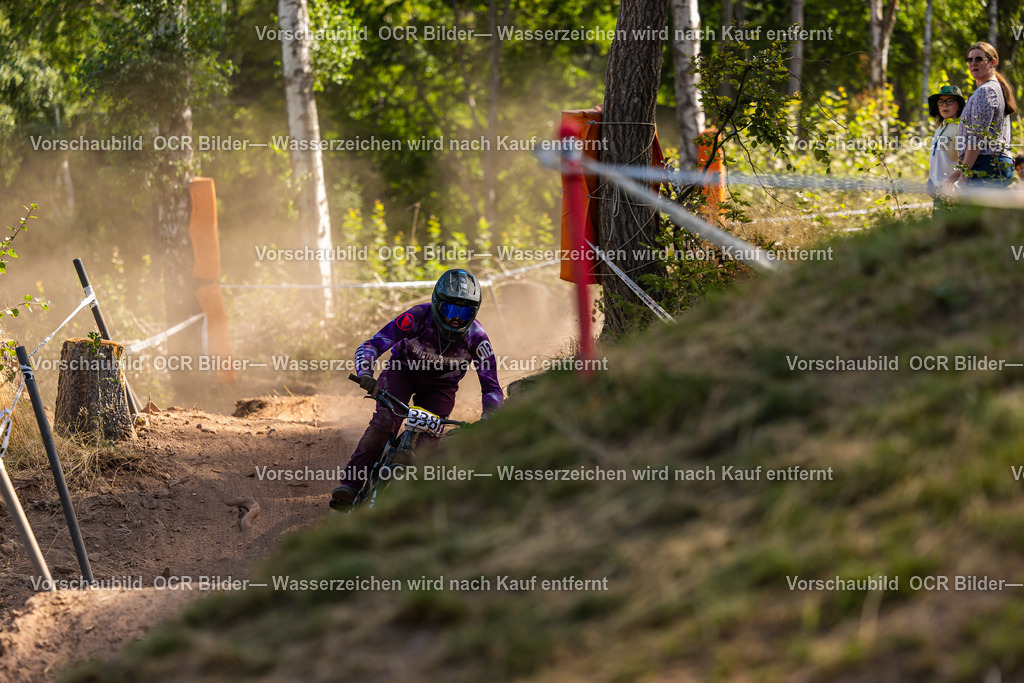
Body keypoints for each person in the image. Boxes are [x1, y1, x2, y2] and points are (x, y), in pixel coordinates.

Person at [330, 268, 503, 509]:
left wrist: (489, 418)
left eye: (464, 312)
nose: (456, 319)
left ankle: (412, 504)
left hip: (441, 387)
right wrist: (366, 373)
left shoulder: (477, 337)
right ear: (437, 303)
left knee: (427, 449)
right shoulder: (417, 317)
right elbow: (371, 345)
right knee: (384, 424)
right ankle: (351, 485)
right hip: (403, 372)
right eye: (451, 310)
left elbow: (492, 386)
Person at [945, 42, 1017, 190]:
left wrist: (965, 173)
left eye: (979, 59)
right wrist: (955, 175)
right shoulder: (991, 89)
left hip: (987, 165)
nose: (973, 63)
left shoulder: (986, 91)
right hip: (990, 163)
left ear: (992, 62)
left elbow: (977, 137)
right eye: (970, 60)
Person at [926, 85, 965, 209]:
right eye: (941, 102)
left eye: (950, 101)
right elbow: (936, 160)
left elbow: (967, 162)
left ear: (959, 106)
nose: (944, 105)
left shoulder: (961, 129)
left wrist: (950, 182)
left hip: (953, 192)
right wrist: (930, 181)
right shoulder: (939, 129)